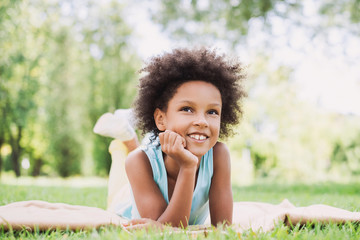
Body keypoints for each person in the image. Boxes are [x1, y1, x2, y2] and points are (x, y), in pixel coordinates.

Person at [1, 47, 359, 233]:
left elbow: (221, 226)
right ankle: (126, 137)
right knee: (122, 171)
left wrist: (193, 165)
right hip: (132, 202)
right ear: (161, 117)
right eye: (187, 109)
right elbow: (168, 230)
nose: (202, 122)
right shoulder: (139, 163)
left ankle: (128, 134)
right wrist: (188, 168)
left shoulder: (220, 155)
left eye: (213, 112)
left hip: (165, 186)